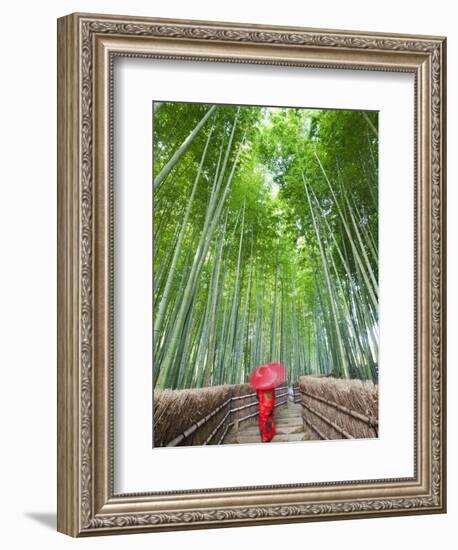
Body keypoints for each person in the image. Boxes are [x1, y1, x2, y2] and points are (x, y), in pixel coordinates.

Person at [248, 362, 285, 443]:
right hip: (270, 405)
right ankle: (270, 434)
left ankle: (265, 437)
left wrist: (259, 397)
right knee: (269, 419)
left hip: (263, 407)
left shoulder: (259, 384)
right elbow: (273, 396)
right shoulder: (270, 384)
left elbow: (257, 396)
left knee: (264, 420)